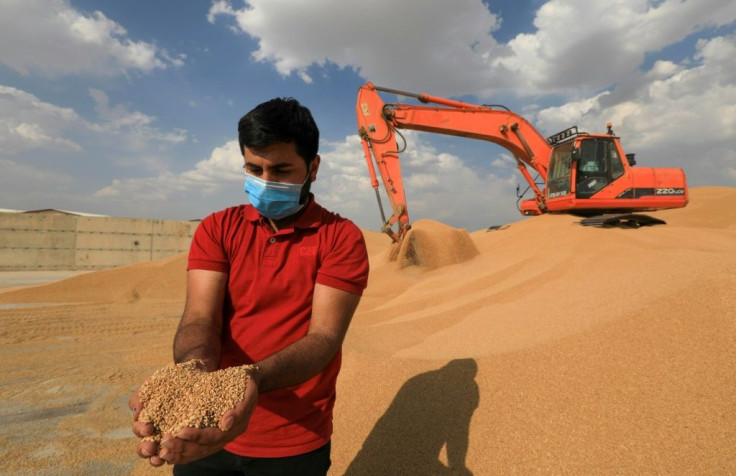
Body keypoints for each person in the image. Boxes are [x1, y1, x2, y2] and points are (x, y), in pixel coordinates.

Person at [130, 97, 370, 475]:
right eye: (254, 169)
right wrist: (191, 373)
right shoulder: (218, 228)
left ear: (314, 167)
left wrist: (250, 379)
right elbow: (199, 319)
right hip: (204, 426)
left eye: (281, 169)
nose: (266, 182)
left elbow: (324, 338)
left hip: (295, 438)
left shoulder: (341, 238)